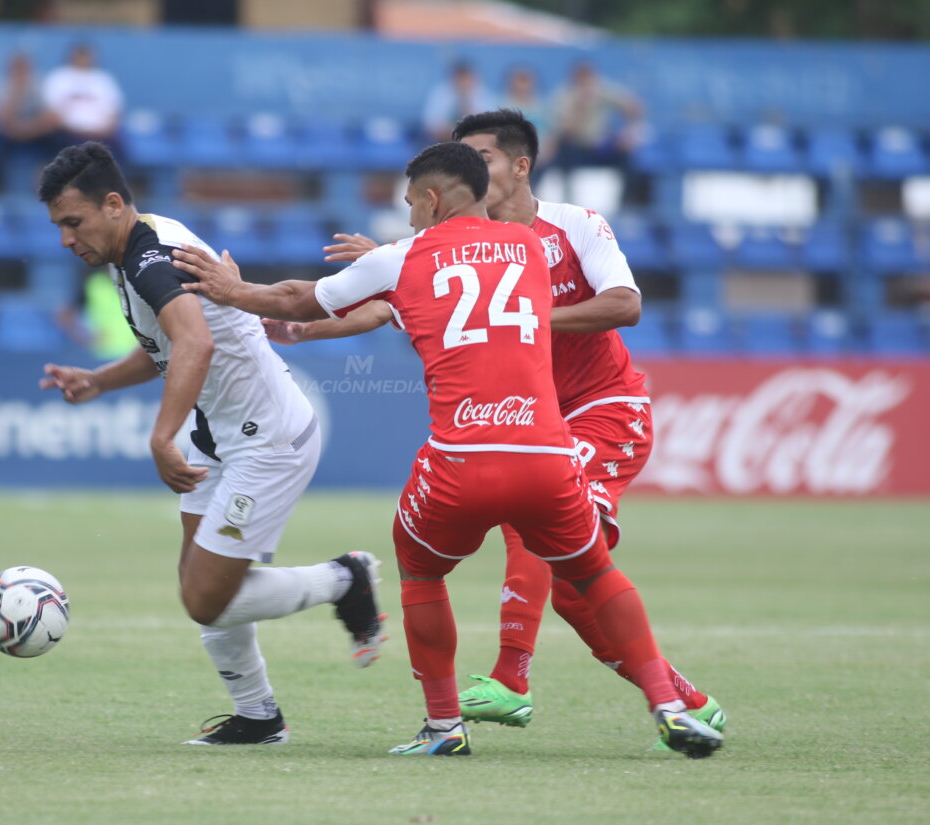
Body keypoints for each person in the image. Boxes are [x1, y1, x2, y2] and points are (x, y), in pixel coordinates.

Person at [171, 142, 724, 758]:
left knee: (422, 571)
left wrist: (232, 287)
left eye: (411, 204)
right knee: (593, 572)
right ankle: (669, 706)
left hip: (460, 459)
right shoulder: (533, 250)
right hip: (546, 454)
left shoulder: (406, 256)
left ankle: (442, 727)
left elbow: (299, 296)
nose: (408, 217)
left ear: (432, 199)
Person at [34, 142, 385, 746]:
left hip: (267, 440)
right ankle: (258, 717)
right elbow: (166, 350)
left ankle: (346, 579)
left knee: (205, 598)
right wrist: (98, 380)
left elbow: (196, 345)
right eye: (60, 227)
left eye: (73, 222)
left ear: (113, 205)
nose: (67, 239)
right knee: (204, 587)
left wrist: (160, 435)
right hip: (223, 439)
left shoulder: (149, 258)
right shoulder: (133, 252)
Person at [549, 60, 642, 178]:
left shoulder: (601, 90)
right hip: (577, 145)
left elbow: (631, 107)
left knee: (625, 153)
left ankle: (624, 194)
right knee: (565, 150)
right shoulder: (564, 95)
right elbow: (565, 130)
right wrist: (581, 108)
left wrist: (626, 133)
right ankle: (569, 190)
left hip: (600, 144)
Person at [40, 44, 123, 152]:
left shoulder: (103, 79)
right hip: (66, 136)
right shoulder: (58, 77)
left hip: (101, 138)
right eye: (79, 55)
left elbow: (114, 115)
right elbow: (51, 114)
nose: (83, 59)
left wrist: (99, 133)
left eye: (86, 56)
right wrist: (78, 132)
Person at [0, 52, 55, 148]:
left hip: (37, 132)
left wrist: (30, 129)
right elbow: (2, 120)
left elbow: (50, 116)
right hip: (8, 135)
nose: (21, 72)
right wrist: (18, 93)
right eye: (17, 68)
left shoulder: (39, 86)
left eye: (24, 68)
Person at [422, 60, 496, 144]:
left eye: (466, 79)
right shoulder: (440, 93)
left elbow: (488, 126)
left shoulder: (484, 94)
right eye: (460, 78)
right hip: (443, 141)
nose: (463, 82)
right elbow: (431, 126)